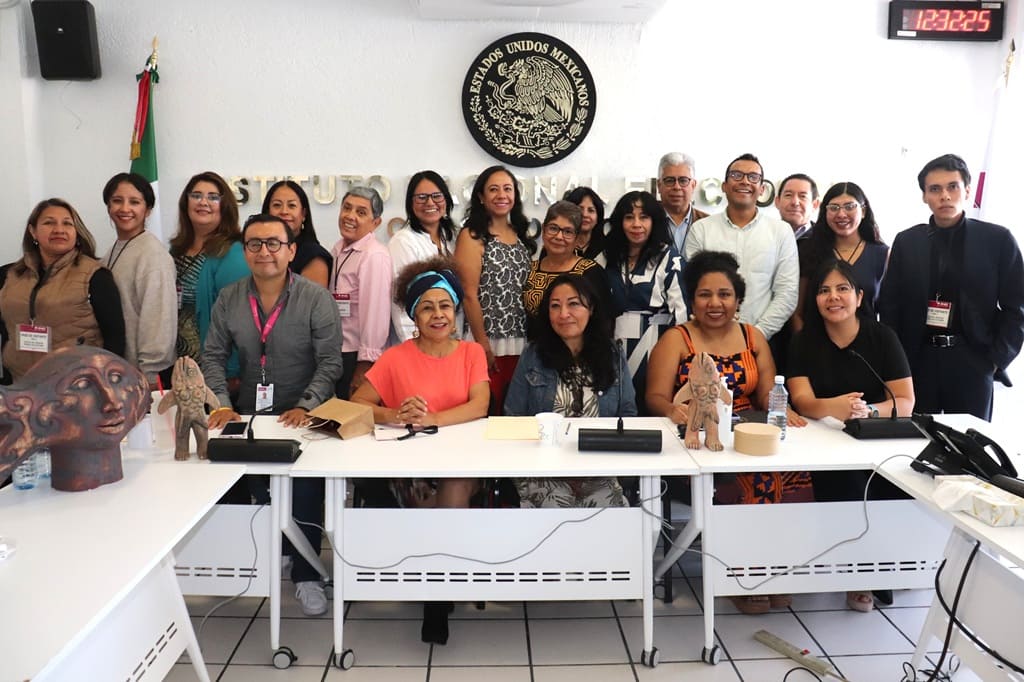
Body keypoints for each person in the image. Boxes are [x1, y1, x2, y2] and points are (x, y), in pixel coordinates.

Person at [204, 214, 343, 617]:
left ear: (291, 250)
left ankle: (307, 575)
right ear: (245, 251)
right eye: (255, 244)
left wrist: (307, 403)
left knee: (304, 493)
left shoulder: (316, 299)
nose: (264, 251)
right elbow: (212, 355)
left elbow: (331, 362)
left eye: (273, 243)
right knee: (244, 488)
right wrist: (220, 401)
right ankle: (257, 558)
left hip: (304, 413)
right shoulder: (230, 298)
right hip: (247, 411)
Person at [350, 257, 489, 645]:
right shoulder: (396, 357)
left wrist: (431, 419)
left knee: (456, 485)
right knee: (434, 502)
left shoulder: (471, 354)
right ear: (413, 315)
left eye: (444, 305)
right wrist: (394, 413)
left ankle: (434, 594)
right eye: (426, 307)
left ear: (456, 310)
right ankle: (439, 587)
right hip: (409, 468)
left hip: (462, 465)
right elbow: (357, 404)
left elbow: (480, 405)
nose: (438, 314)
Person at [788, 259, 914, 611]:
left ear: (859, 297)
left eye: (842, 289)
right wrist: (835, 407)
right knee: (844, 486)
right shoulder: (804, 341)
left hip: (876, 439)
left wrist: (869, 412)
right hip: (824, 442)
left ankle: (884, 567)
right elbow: (802, 400)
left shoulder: (882, 337)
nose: (833, 297)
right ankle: (855, 572)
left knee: (894, 487)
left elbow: (904, 401)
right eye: (824, 290)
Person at [879, 153, 1024, 421]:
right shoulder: (908, 241)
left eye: (952, 187)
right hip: (917, 360)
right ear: (924, 196)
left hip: (973, 359)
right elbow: (890, 305)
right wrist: (897, 362)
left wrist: (994, 359)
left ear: (967, 190)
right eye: (935, 189)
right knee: (915, 443)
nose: (945, 196)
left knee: (969, 448)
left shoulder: (996, 239)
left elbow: (1017, 306)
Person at [505, 273, 635, 507]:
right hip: (543, 470)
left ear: (591, 308)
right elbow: (512, 418)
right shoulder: (533, 355)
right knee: (555, 508)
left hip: (600, 470)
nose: (564, 314)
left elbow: (628, 416)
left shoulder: (613, 355)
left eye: (573, 304)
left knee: (611, 515)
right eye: (555, 306)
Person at [0, 199, 125, 382]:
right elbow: (6, 330)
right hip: (20, 387)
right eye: (49, 222)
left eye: (67, 223)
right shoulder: (8, 275)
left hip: (78, 387)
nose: (59, 229)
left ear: (77, 232)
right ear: (32, 231)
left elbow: (115, 337)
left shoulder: (96, 276)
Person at [686, 154, 799, 341]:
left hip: (764, 340)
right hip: (708, 339)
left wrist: (757, 334)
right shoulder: (701, 229)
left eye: (753, 177)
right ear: (724, 186)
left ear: (762, 189)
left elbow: (787, 292)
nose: (745, 181)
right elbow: (693, 287)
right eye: (737, 175)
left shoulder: (781, 231)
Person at [454, 165, 536, 413]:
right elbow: (468, 293)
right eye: (493, 189)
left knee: (517, 411)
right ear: (481, 196)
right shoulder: (472, 235)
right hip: (489, 340)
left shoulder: (521, 234)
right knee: (490, 409)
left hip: (521, 340)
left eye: (507, 189)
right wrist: (482, 344)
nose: (502, 195)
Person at [603, 190, 686, 411]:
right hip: (611, 351)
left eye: (644, 217)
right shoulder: (608, 257)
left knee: (651, 411)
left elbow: (682, 315)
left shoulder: (670, 258)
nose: (636, 224)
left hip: (656, 350)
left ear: (654, 221)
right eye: (629, 217)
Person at [167, 171, 249, 385]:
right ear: (186, 202)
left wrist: (231, 373)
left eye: (213, 197)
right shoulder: (176, 251)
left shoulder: (233, 253)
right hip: (178, 368)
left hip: (216, 372)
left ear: (225, 206)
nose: (203, 202)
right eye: (196, 195)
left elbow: (240, 320)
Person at [101, 172, 177, 388]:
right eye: (117, 201)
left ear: (148, 210)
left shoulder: (153, 255)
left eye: (134, 202)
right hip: (118, 373)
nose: (125, 209)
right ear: (108, 206)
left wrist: (150, 375)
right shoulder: (113, 250)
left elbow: (159, 321)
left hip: (144, 377)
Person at [794, 182, 888, 332]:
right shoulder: (809, 250)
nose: (841, 214)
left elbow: (889, 312)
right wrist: (804, 345)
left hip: (868, 345)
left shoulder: (883, 254)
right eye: (834, 208)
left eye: (850, 207)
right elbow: (797, 312)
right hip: (817, 345)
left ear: (863, 211)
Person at [329, 186, 392, 398]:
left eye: (361, 212)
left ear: (376, 223)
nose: (350, 216)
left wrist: (364, 366)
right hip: (337, 351)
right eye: (346, 208)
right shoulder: (337, 249)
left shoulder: (374, 256)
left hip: (357, 357)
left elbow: (375, 314)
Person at [388, 171, 459, 342]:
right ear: (410, 203)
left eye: (437, 196)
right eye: (421, 197)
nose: (430, 202)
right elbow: (400, 302)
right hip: (420, 344)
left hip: (451, 340)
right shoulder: (403, 241)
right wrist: (413, 344)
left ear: (446, 199)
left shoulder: (452, 238)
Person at [522, 201, 606, 337]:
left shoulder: (590, 272)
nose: (559, 237)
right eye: (553, 228)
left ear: (577, 238)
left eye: (568, 232)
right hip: (535, 351)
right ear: (543, 230)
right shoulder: (529, 270)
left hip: (579, 353)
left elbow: (602, 321)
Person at [262, 180, 331, 287]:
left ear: (303, 214)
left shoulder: (313, 257)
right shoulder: (258, 249)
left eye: (292, 206)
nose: (284, 211)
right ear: (267, 212)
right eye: (277, 205)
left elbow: (312, 302)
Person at [657, 152, 708, 257]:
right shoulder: (647, 222)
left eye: (683, 180)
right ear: (659, 185)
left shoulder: (707, 223)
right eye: (669, 180)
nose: (676, 187)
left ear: (693, 185)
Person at [563, 186, 606, 259]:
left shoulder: (606, 248)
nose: (585, 215)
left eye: (591, 210)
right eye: (579, 209)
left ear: (598, 217)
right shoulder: (557, 244)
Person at [774, 173, 820, 240]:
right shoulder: (764, 234)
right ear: (777, 202)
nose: (795, 202)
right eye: (788, 195)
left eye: (803, 196)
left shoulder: (825, 239)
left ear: (815, 205)